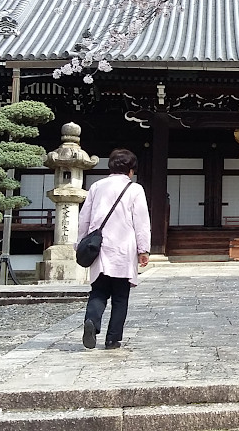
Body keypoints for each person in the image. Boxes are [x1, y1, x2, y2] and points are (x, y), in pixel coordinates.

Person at [77, 148, 151, 350]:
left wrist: (80, 242)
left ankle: (92, 320)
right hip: (123, 249)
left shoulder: (96, 186)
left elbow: (84, 218)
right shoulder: (135, 189)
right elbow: (141, 222)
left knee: (99, 291)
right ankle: (113, 339)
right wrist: (143, 249)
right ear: (130, 170)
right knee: (120, 297)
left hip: (98, 247)